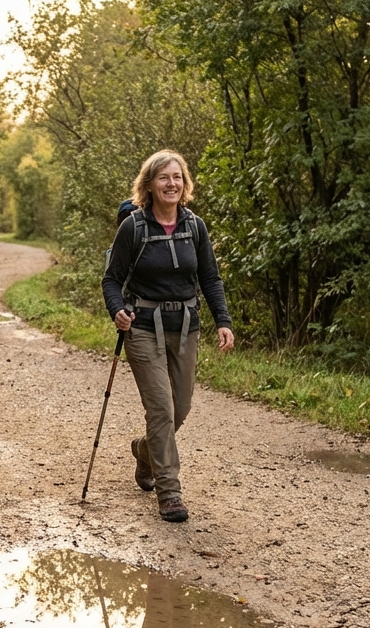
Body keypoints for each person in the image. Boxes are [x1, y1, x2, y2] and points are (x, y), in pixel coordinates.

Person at [102, 150, 234, 523]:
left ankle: (144, 451)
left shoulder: (196, 227)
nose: (171, 183)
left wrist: (222, 320)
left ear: (185, 184)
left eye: (177, 177)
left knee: (180, 409)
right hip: (143, 327)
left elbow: (210, 278)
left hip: (186, 326)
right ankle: (170, 492)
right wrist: (118, 311)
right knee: (161, 409)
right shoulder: (134, 227)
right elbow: (112, 279)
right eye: (164, 178)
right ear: (149, 185)